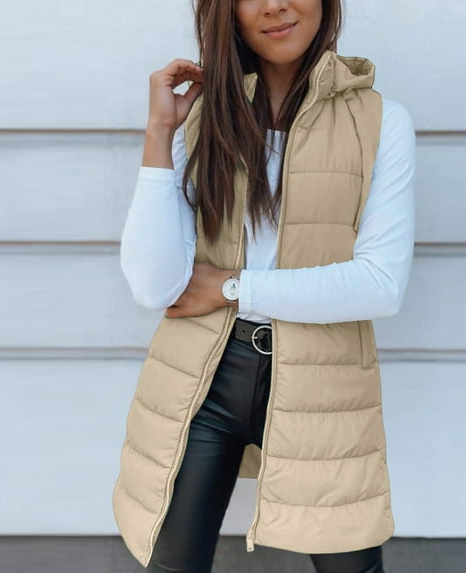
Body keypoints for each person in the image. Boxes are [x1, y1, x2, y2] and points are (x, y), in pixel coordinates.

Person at [112, 0, 416, 572]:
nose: (276, 4)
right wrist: (159, 132)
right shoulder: (197, 118)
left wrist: (232, 288)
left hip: (323, 380)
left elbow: (381, 284)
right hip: (201, 376)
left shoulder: (380, 121)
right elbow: (155, 286)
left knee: (351, 566)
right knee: (172, 563)